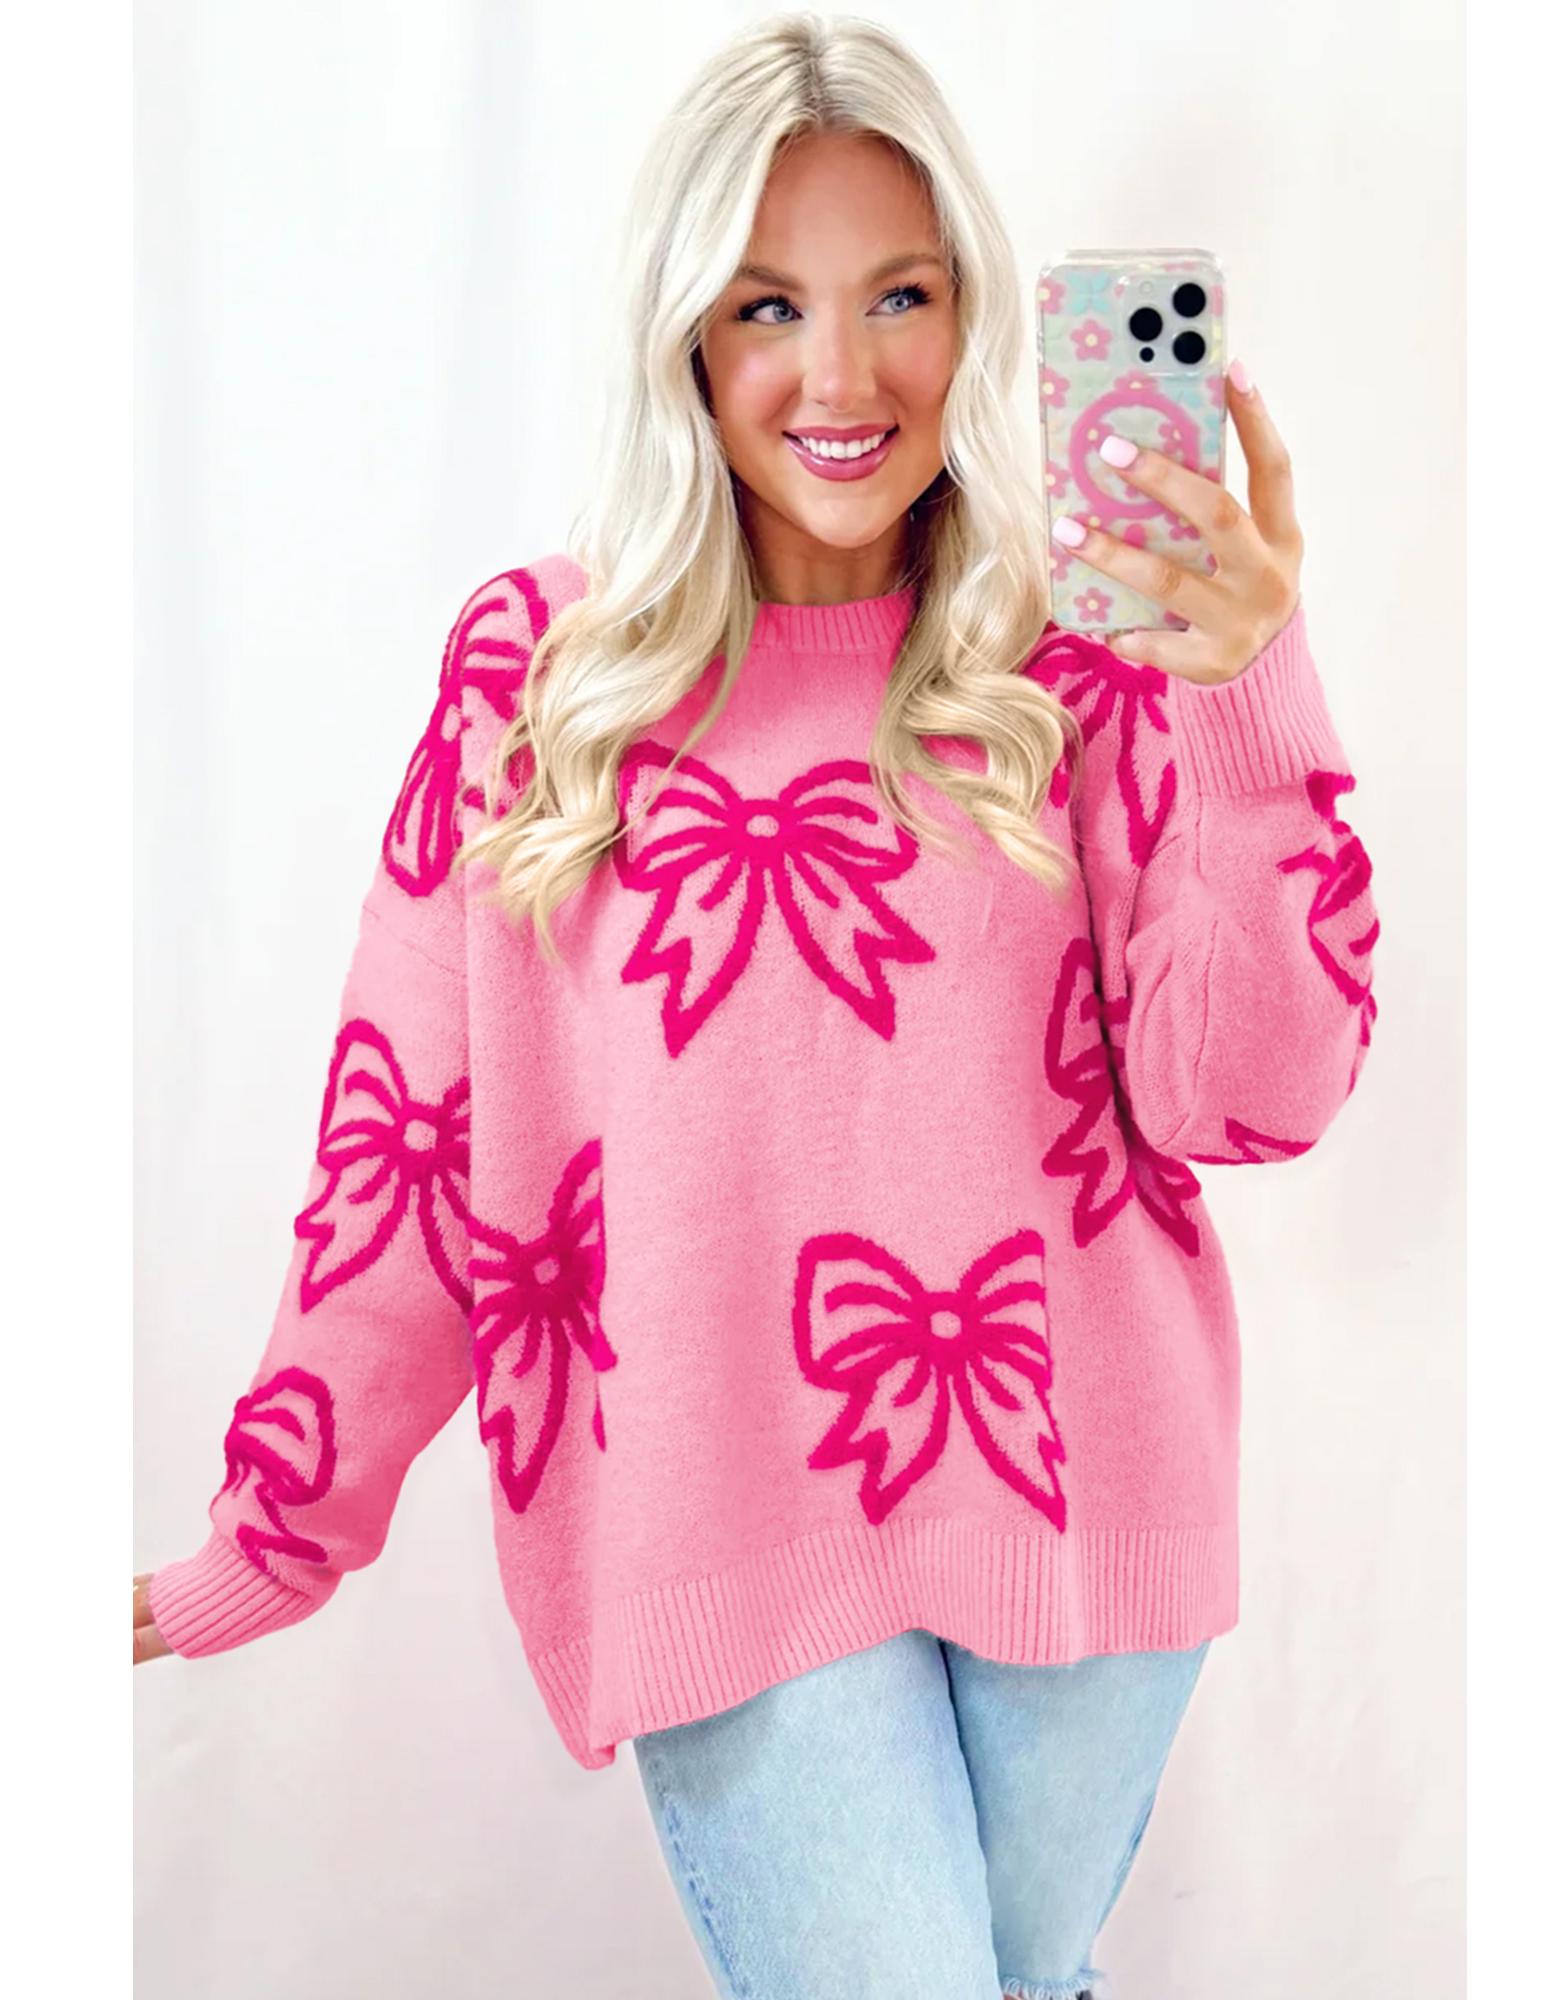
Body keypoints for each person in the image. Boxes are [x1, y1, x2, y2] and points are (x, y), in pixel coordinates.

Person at [134, 12, 1379, 1998]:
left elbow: (1252, 1096)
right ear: (686, 339)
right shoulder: (539, 675)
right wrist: (274, 1531)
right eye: (766, 305)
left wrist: (1243, 689)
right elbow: (411, 1136)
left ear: (973, 312)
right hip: (714, 1510)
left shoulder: (1081, 654)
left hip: (1092, 1497)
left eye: (900, 295)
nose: (840, 374)